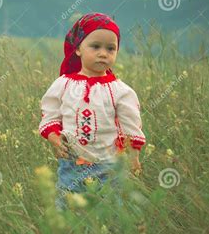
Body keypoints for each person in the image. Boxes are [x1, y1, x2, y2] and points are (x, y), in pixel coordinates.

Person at [38, 12, 146, 211]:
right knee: (68, 208)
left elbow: (130, 124)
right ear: (78, 48)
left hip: (109, 166)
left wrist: (133, 155)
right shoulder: (64, 84)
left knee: (110, 210)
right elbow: (51, 112)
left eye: (111, 48)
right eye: (95, 47)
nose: (103, 53)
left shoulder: (119, 91)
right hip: (71, 164)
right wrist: (54, 137)